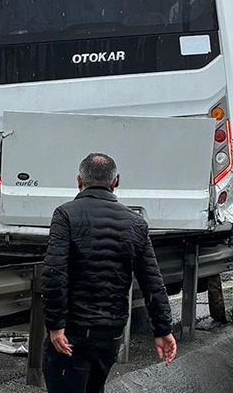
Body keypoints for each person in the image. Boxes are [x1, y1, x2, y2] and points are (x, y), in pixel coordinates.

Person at [42, 153, 176, 392]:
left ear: (79, 181)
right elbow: (152, 281)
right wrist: (163, 329)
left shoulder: (65, 215)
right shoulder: (136, 223)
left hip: (72, 329)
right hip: (110, 332)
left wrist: (55, 325)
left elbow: (55, 272)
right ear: (116, 182)